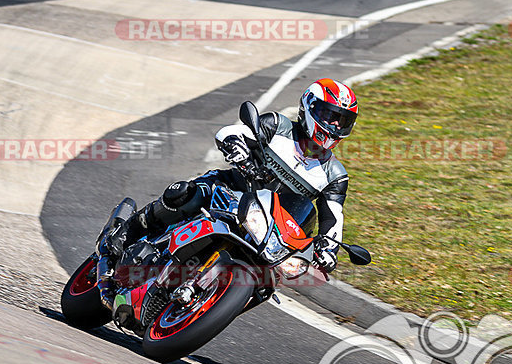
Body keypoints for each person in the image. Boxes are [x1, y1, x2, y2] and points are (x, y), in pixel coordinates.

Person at [103, 78, 359, 275]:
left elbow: (333, 217)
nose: (335, 126)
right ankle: (126, 232)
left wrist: (329, 249)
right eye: (330, 116)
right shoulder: (277, 126)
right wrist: (239, 152)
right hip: (228, 191)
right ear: (309, 107)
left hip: (268, 230)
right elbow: (231, 132)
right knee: (184, 195)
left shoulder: (335, 176)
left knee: (269, 277)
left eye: (343, 121)